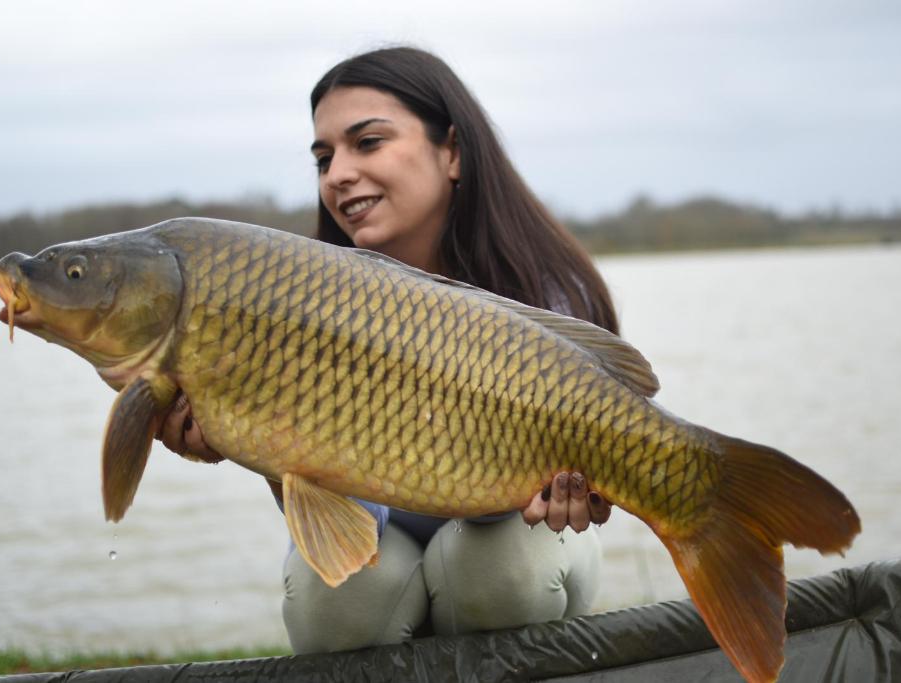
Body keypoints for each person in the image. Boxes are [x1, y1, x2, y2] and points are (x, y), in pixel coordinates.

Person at [158, 46, 620, 654]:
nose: (338, 174)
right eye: (324, 157)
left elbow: (505, 510)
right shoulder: (298, 301)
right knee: (335, 596)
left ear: (452, 151)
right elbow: (348, 521)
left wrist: (569, 486)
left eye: (367, 143)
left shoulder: (547, 292)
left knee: (502, 565)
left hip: (515, 538)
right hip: (385, 545)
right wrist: (259, 451)